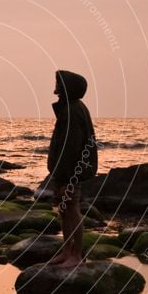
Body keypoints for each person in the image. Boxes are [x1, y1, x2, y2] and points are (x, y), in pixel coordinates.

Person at [46, 70, 97, 267]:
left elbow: (71, 148)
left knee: (72, 210)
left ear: (67, 87)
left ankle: (76, 255)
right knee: (65, 210)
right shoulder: (70, 108)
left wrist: (66, 178)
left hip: (70, 173)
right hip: (66, 172)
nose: (56, 85)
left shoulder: (73, 111)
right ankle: (67, 251)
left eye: (58, 82)